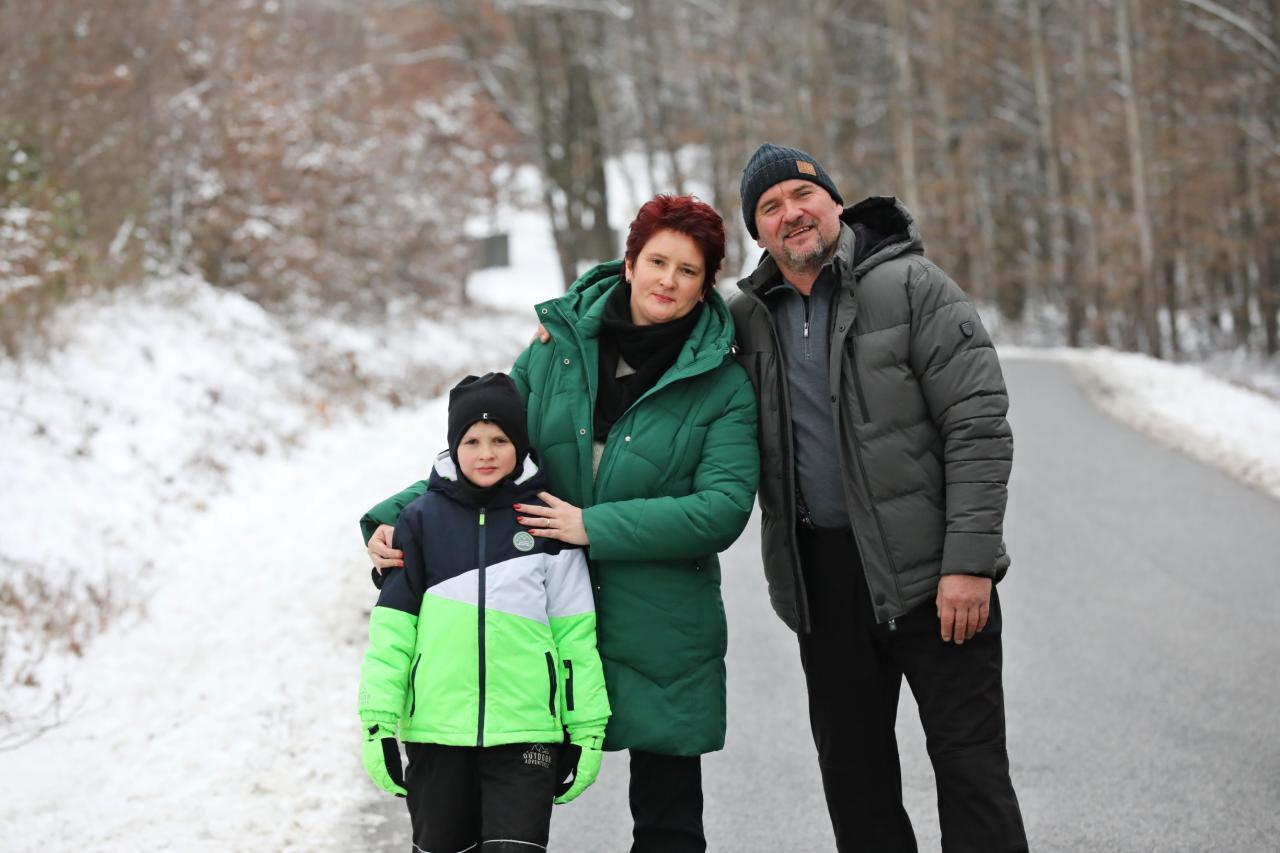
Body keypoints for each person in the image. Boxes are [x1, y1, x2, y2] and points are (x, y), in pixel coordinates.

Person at [363, 194, 760, 853]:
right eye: (657, 261)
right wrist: (391, 519)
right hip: (539, 619)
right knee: (495, 819)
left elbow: (722, 508)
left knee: (667, 822)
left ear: (705, 283)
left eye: (688, 270)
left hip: (661, 622)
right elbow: (487, 454)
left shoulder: (722, 383)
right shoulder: (556, 354)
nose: (668, 280)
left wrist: (592, 525)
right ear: (629, 263)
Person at [729, 143, 1028, 852]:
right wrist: (569, 324)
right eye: (769, 207)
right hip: (826, 586)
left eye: (802, 195)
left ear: (835, 201)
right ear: (759, 233)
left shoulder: (913, 286)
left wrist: (969, 564)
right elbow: (657, 326)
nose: (791, 213)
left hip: (935, 576)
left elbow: (978, 425)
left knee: (972, 776)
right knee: (856, 787)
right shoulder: (746, 318)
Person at [357, 372, 611, 852]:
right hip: (436, 733)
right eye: (471, 441)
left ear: (520, 445)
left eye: (500, 440)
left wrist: (587, 728)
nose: (486, 453)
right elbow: (392, 637)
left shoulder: (547, 521)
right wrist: (377, 723)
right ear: (453, 447)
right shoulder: (419, 522)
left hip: (526, 731)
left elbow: (576, 638)